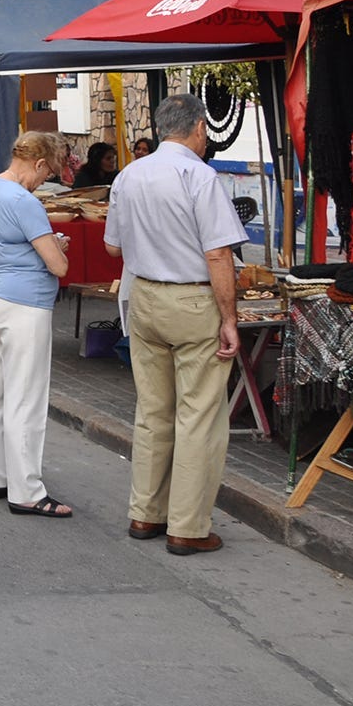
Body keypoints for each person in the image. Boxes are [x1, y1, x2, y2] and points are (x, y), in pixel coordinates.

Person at [104, 93, 246, 556]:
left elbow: (113, 248)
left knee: (153, 412)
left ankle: (145, 513)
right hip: (192, 299)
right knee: (199, 416)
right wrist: (230, 317)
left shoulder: (129, 174)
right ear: (200, 128)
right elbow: (218, 253)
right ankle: (186, 525)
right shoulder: (198, 176)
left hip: (144, 295)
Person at [0, 131, 73, 518]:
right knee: (26, 399)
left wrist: (12, 251)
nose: (44, 181)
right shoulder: (24, 201)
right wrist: (54, 246)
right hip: (25, 303)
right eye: (47, 174)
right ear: (40, 162)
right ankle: (27, 490)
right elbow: (57, 266)